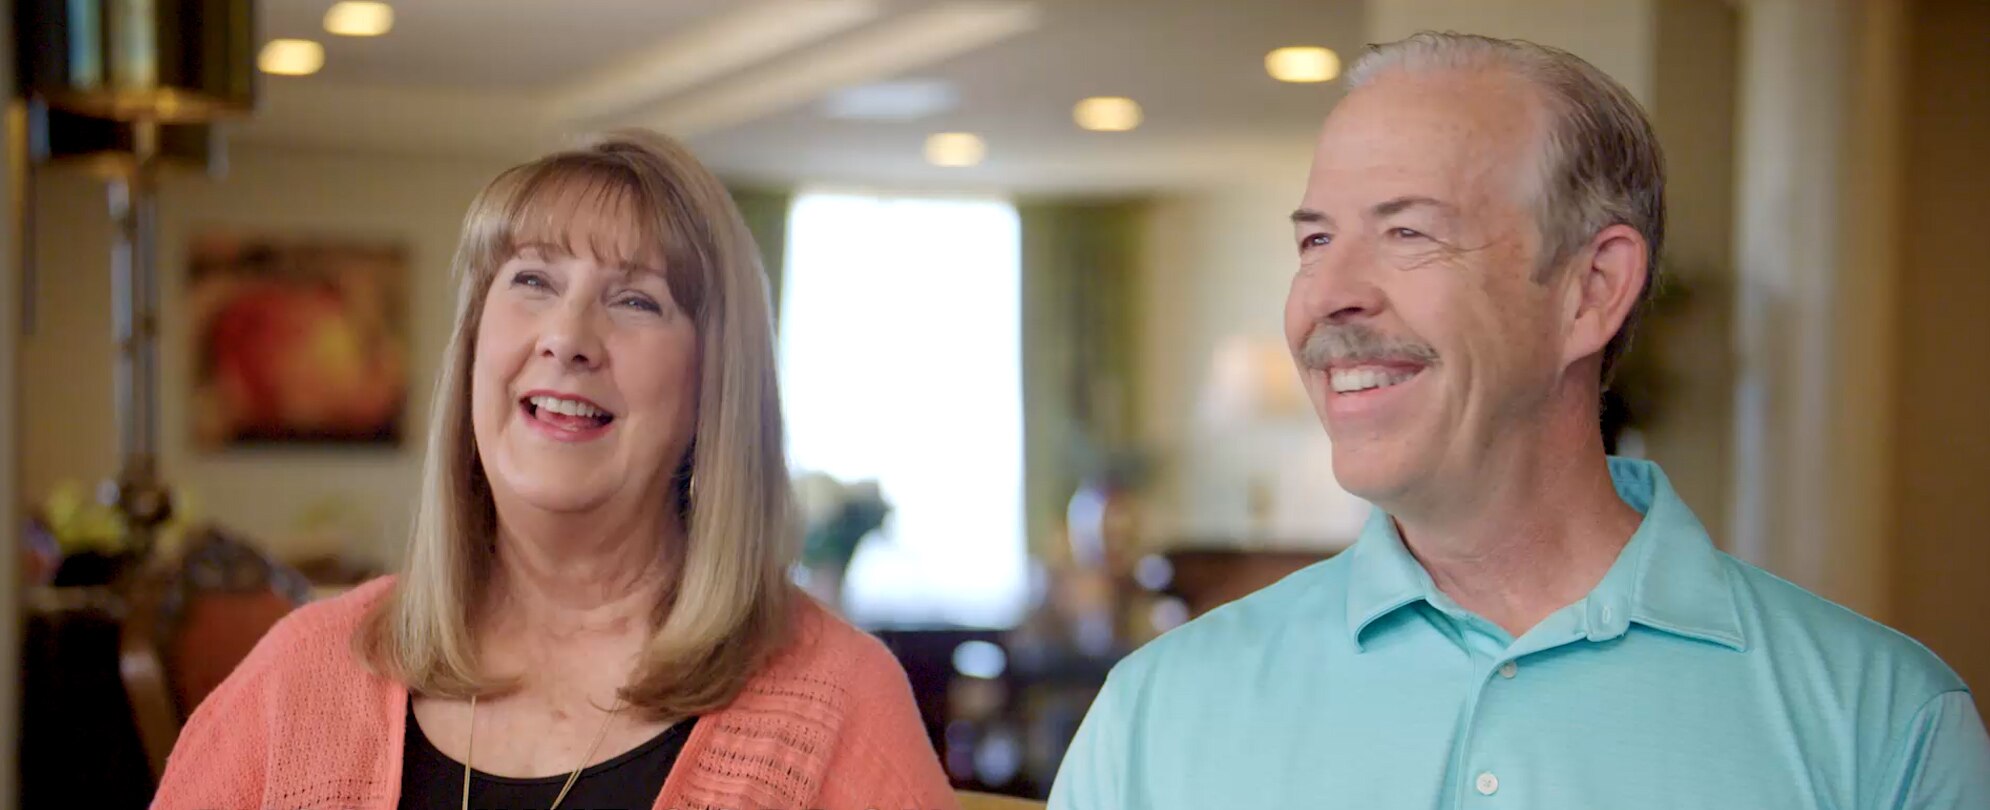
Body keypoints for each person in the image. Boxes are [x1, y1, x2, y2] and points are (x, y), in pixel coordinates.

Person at [1049, 32, 1990, 809]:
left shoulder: (1883, 726)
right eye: (1316, 240)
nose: (1325, 296)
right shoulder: (1157, 711)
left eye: (1409, 231)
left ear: (1591, 289)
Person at [154, 130, 958, 810]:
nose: (567, 336)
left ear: (715, 387)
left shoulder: (841, 701)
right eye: (533, 281)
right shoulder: (303, 671)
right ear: (473, 349)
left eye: (637, 300)